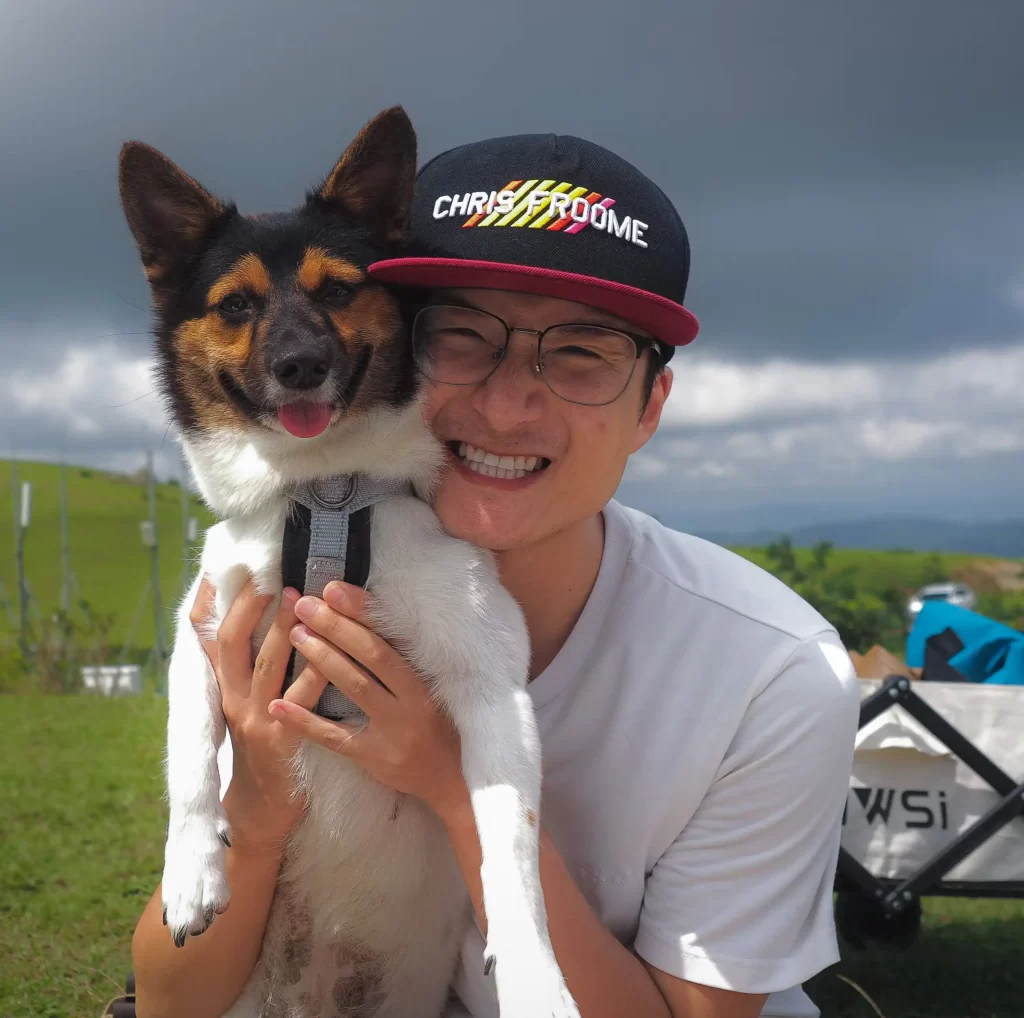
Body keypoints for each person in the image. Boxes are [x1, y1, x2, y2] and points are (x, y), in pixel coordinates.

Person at [132, 133, 860, 1018]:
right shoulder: (278, 589)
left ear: (650, 408)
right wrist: (250, 810)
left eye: (582, 354)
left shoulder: (772, 678)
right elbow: (171, 1002)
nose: (509, 407)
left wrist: (447, 781)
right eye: (464, 338)